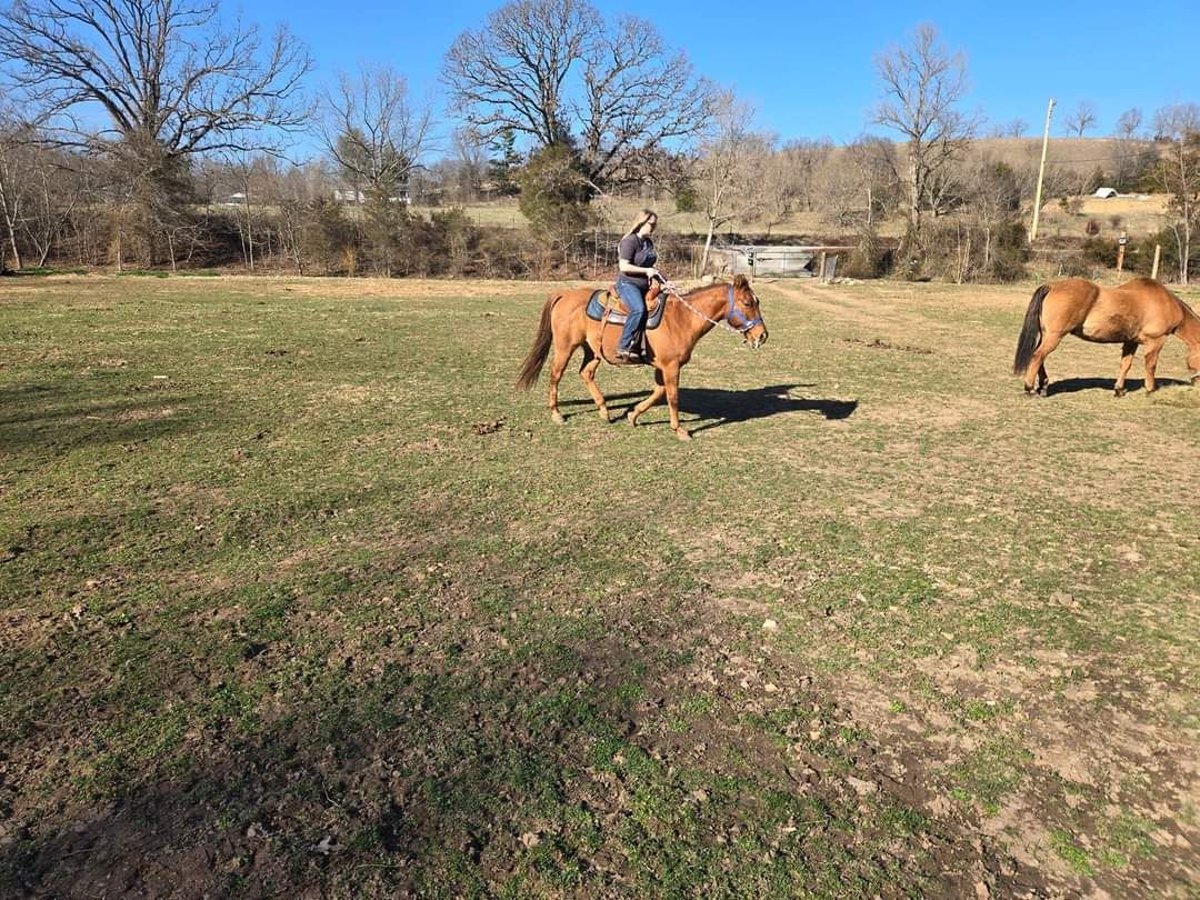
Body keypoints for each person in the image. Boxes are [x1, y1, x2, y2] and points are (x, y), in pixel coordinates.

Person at [614, 208, 660, 362]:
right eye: (651, 224)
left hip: (644, 285)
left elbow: (651, 268)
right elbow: (624, 267)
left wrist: (664, 280)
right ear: (642, 222)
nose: (653, 227)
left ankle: (644, 347)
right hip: (627, 283)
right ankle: (624, 346)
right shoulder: (630, 241)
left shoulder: (648, 242)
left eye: (655, 225)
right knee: (638, 309)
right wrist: (646, 271)